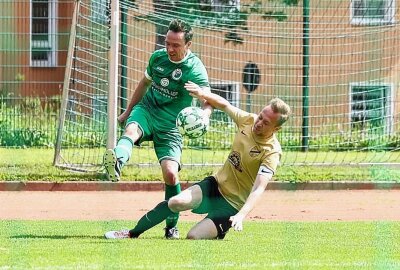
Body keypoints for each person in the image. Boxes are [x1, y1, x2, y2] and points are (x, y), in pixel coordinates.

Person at [104, 83, 291, 240]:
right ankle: (131, 233)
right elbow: (224, 104)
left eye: (266, 123)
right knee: (175, 202)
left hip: (232, 205)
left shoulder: (272, 152)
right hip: (214, 186)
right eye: (260, 117)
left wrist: (240, 215)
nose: (259, 123)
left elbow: (259, 188)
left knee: (193, 236)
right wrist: (203, 94)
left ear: (276, 129)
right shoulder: (248, 120)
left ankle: (219, 229)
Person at [103, 19, 212, 239]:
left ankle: (171, 227)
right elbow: (143, 84)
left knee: (171, 175)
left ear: (188, 45)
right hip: (148, 110)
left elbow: (208, 99)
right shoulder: (157, 58)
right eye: (167, 43)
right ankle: (116, 161)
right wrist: (128, 111)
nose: (170, 49)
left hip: (171, 126)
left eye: (176, 45)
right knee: (131, 131)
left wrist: (205, 116)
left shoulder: (195, 68)